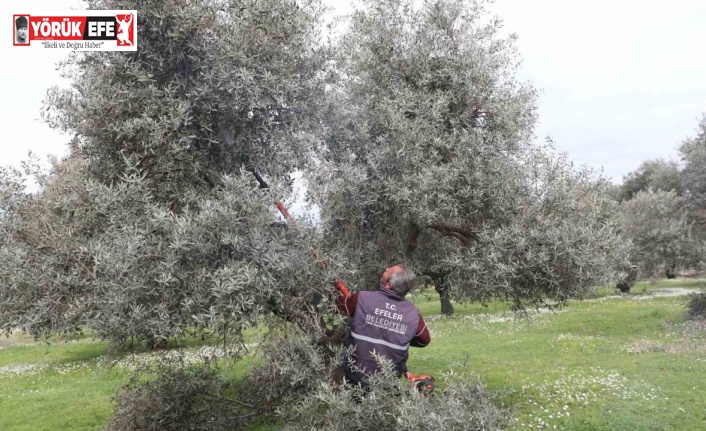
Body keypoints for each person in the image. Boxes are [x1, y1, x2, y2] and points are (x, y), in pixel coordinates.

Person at [336, 264, 430, 387]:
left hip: (355, 378)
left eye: (388, 271)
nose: (386, 269)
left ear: (389, 284)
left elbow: (337, 305)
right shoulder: (413, 313)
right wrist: (398, 334)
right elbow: (424, 340)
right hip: (388, 382)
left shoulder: (362, 298)